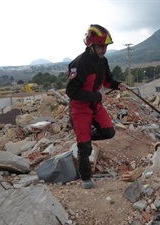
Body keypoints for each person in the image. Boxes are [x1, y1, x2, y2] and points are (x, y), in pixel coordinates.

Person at [66, 24, 127, 189]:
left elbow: (107, 79)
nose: (104, 49)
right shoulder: (78, 64)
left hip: (95, 105)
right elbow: (71, 91)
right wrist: (97, 96)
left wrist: (117, 84)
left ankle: (84, 138)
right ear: (90, 45)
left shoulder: (103, 61)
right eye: (101, 46)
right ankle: (85, 178)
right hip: (80, 109)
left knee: (108, 131)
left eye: (106, 46)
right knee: (84, 147)